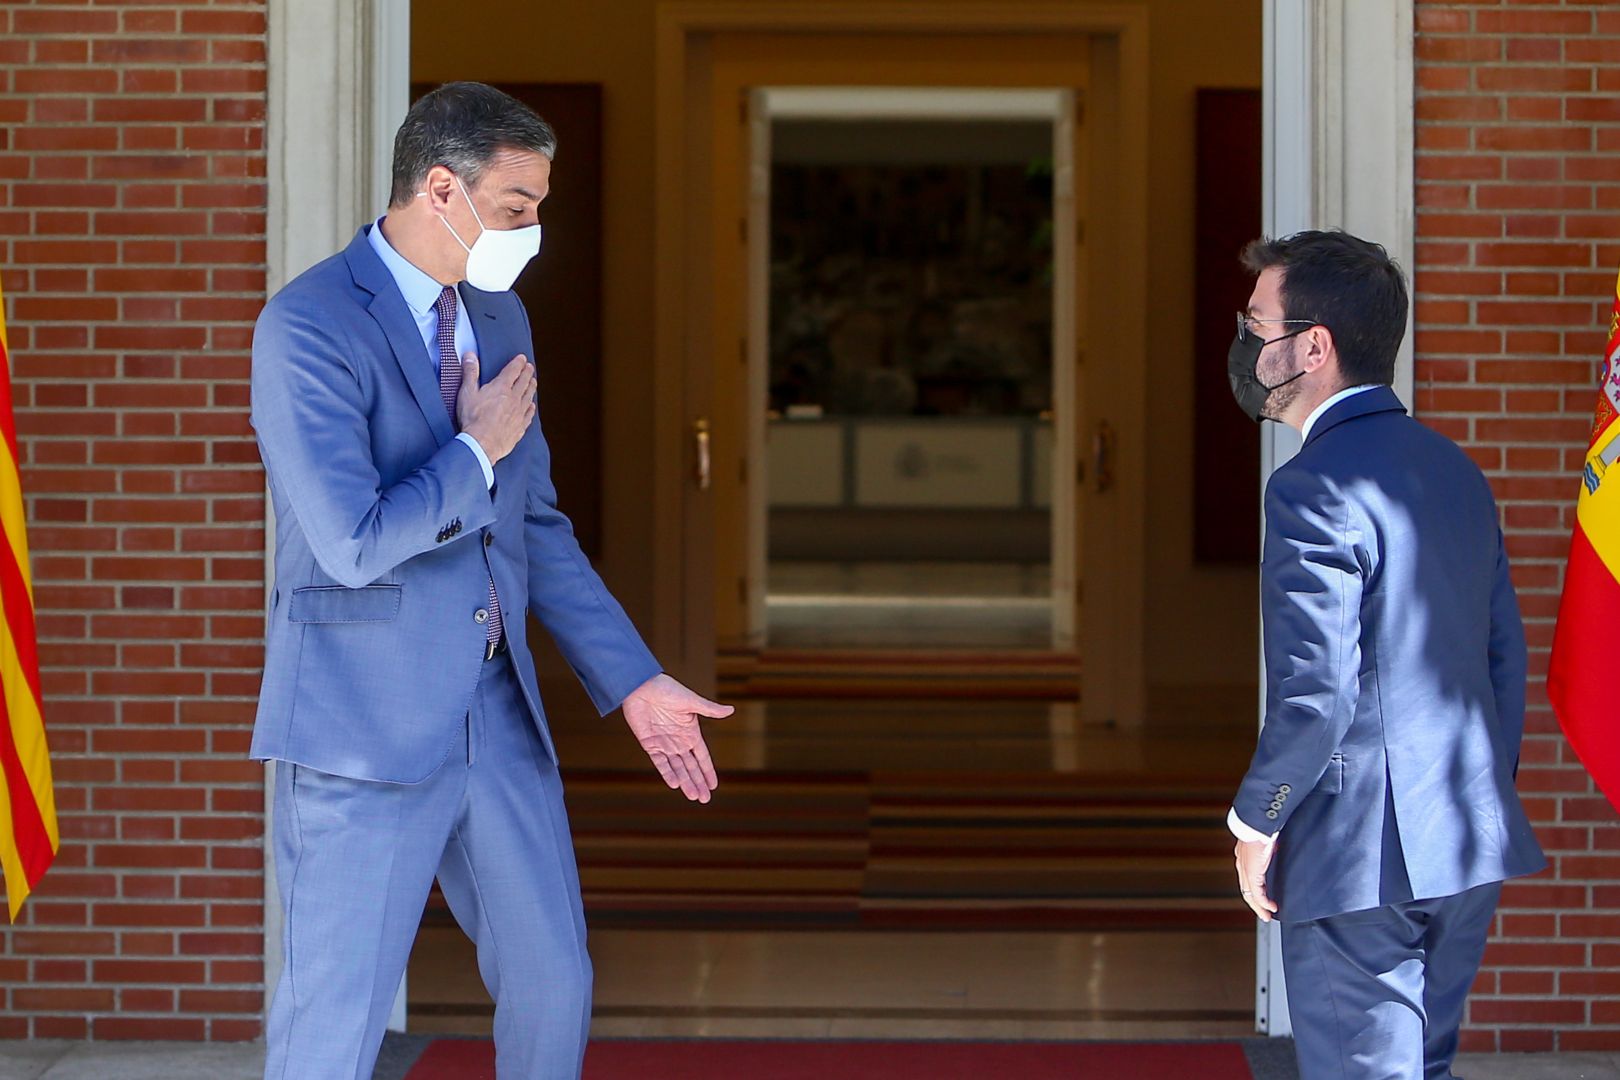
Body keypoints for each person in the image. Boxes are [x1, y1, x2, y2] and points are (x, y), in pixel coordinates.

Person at [249, 81, 733, 1080]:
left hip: (497, 712)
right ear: (440, 188)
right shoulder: (305, 327)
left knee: (555, 983)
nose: (534, 231)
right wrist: (474, 453)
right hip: (361, 728)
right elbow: (349, 541)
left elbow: (536, 529)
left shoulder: (501, 320)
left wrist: (635, 682)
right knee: (333, 1020)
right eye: (517, 208)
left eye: (541, 208)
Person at [1225, 230, 1545, 1079]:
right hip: (1464, 832)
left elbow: (1316, 693)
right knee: (1423, 1067)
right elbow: (1504, 658)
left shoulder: (1311, 485)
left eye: (1257, 325)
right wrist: (1476, 793)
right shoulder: (1454, 469)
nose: (1246, 343)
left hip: (1357, 848)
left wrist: (1258, 818)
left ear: (1313, 345)